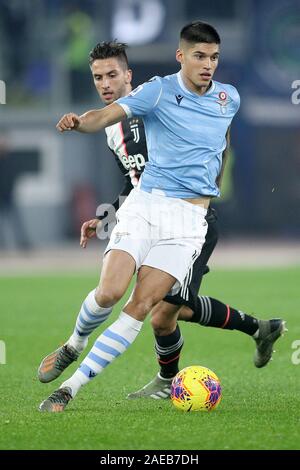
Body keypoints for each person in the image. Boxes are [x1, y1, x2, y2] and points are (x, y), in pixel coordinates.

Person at [38, 23, 285, 412]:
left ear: (128, 75)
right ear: (181, 56)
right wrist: (108, 208)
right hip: (147, 207)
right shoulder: (146, 102)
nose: (208, 64)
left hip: (190, 221)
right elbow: (127, 168)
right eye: (98, 77)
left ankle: (84, 387)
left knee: (164, 311)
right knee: (124, 297)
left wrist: (210, 189)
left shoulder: (221, 98)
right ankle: (79, 346)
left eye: (213, 57)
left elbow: (221, 141)